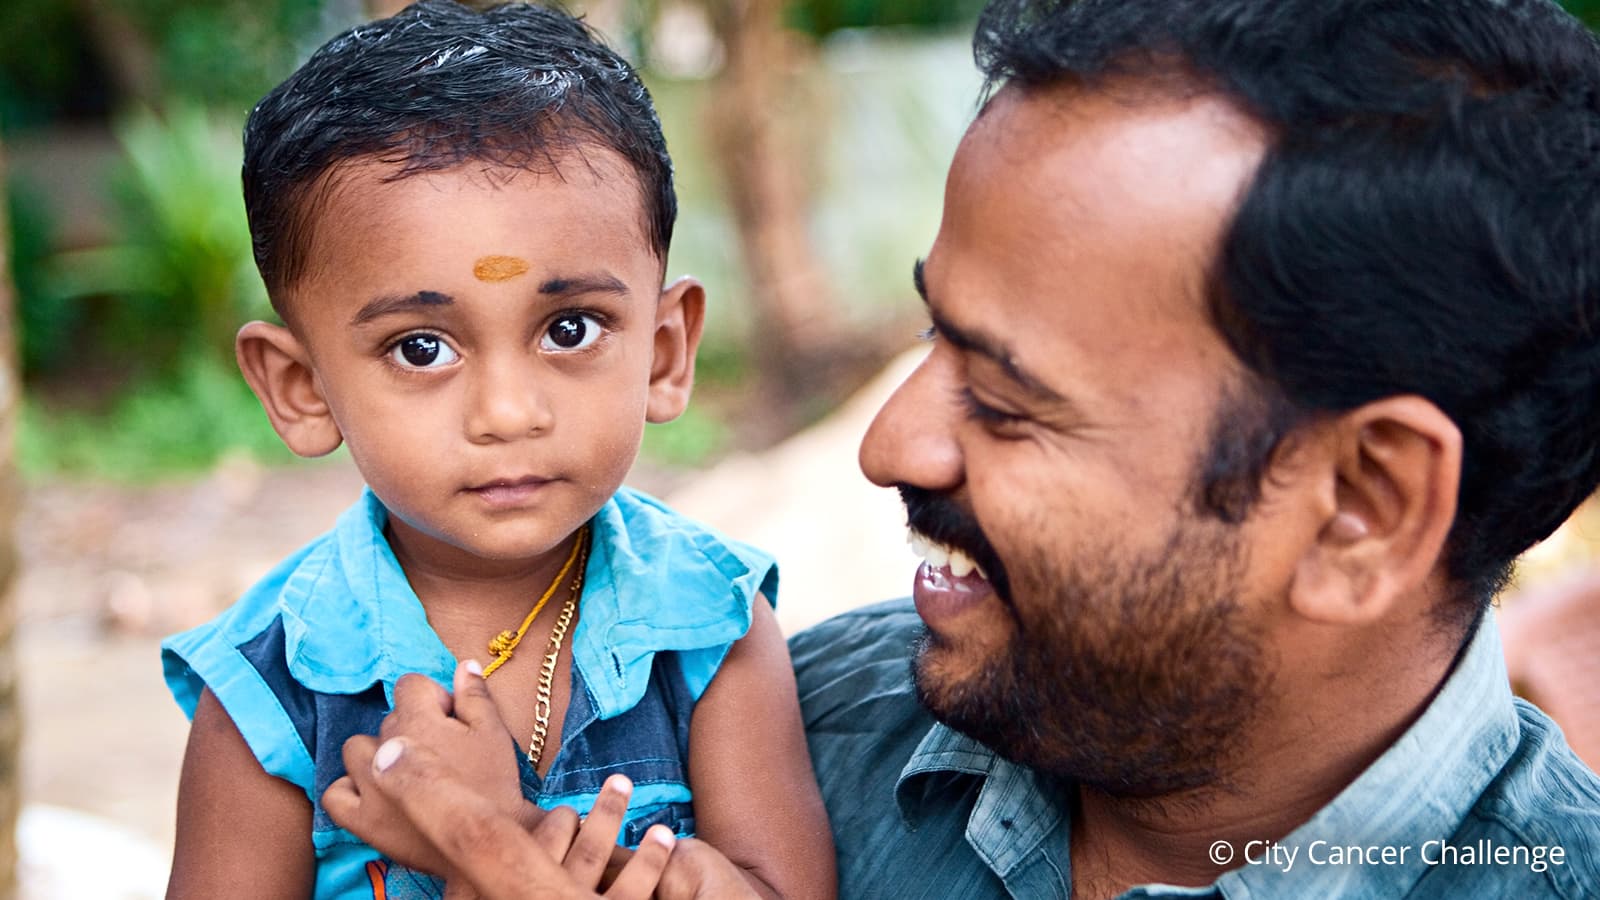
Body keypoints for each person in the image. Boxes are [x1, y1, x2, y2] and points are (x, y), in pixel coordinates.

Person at [322, 0, 1600, 897]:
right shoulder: (755, 735)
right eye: (931, 336)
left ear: (1357, 509)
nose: (890, 445)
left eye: (1008, 398)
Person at [158, 3, 833, 898]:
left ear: (665, 352)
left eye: (570, 328)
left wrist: (495, 840)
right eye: (421, 348)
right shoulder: (273, 689)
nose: (509, 413)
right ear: (301, 389)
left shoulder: (708, 624)